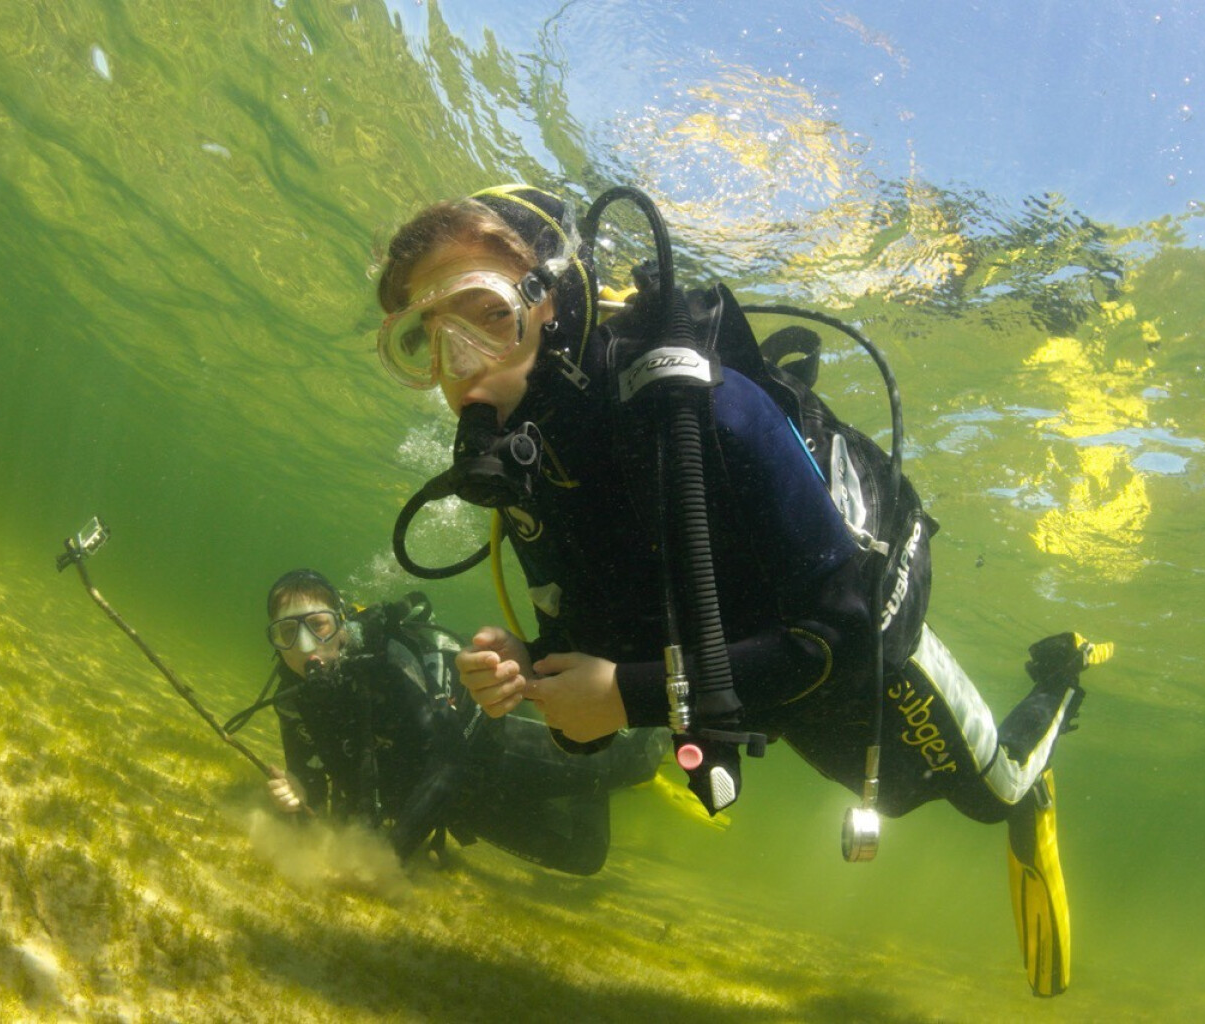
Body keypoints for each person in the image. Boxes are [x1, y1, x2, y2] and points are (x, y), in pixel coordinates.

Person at [372, 184, 1110, 994]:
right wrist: (529, 666)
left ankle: (1058, 682)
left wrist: (629, 695)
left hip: (858, 659)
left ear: (554, 300)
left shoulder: (706, 407)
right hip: (750, 685)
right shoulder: (532, 467)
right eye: (425, 340)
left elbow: (840, 634)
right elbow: (592, 673)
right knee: (898, 800)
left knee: (991, 794)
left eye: (486, 313)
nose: (459, 366)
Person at [254, 568, 669, 876]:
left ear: (341, 622)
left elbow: (449, 761)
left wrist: (387, 857)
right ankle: (588, 793)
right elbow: (314, 792)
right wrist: (295, 795)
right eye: (286, 633)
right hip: (460, 805)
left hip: (491, 757)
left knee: (634, 762)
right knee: (585, 858)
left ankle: (648, 725)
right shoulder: (295, 699)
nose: (305, 647)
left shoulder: (387, 663)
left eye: (318, 625)